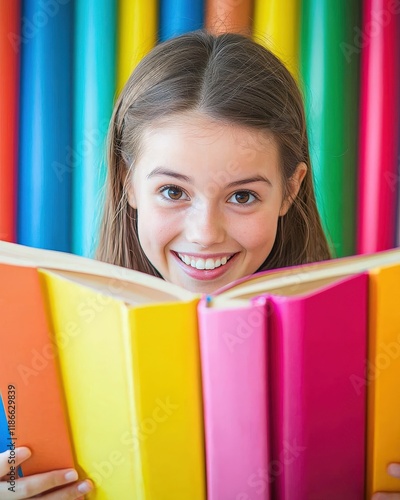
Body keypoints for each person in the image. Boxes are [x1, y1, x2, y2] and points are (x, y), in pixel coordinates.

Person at [0, 30, 398, 498]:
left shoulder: (382, 354)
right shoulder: (30, 358)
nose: (204, 233)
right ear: (128, 183)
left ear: (290, 189)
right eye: (173, 192)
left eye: (243, 196)